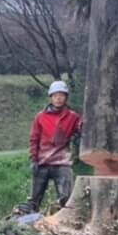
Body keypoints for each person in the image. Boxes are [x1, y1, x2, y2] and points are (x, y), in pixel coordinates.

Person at [27, 80, 81, 213]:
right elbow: (34, 139)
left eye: (61, 95)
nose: (58, 98)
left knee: (66, 200)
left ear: (66, 97)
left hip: (62, 162)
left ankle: (64, 220)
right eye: (55, 95)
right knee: (33, 199)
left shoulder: (73, 117)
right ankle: (29, 221)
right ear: (50, 97)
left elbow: (82, 129)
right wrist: (33, 159)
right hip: (42, 161)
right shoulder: (40, 117)